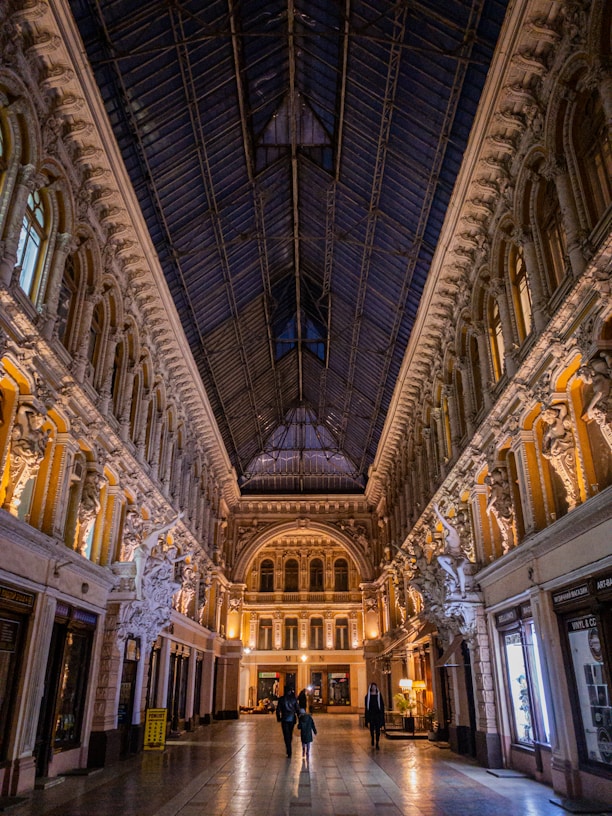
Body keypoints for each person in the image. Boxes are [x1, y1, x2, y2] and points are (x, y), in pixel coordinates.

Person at [276, 686, 300, 757]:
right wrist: (299, 718)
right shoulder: (294, 699)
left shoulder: (281, 699)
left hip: (284, 719)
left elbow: (278, 710)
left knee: (286, 735)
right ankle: (289, 747)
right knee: (290, 733)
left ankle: (288, 750)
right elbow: (297, 709)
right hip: (292, 719)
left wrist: (278, 718)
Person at [364, 682, 385, 749]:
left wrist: (382, 715)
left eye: (374, 687)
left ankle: (377, 743)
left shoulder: (379, 695)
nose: (373, 688)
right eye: (372, 687)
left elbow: (382, 705)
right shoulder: (368, 696)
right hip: (371, 715)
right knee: (372, 729)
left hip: (377, 715)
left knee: (378, 730)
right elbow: (366, 707)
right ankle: (372, 738)